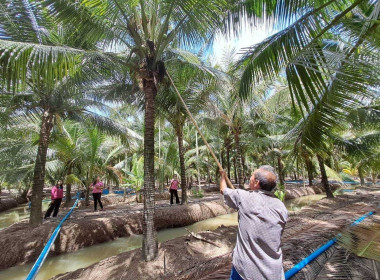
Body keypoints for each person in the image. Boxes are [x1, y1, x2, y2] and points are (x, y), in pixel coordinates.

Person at [220, 166, 288, 280]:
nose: (249, 178)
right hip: (274, 273)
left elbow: (223, 190)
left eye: (252, 175)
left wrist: (222, 176)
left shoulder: (244, 197)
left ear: (256, 182)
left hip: (246, 272)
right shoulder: (281, 207)